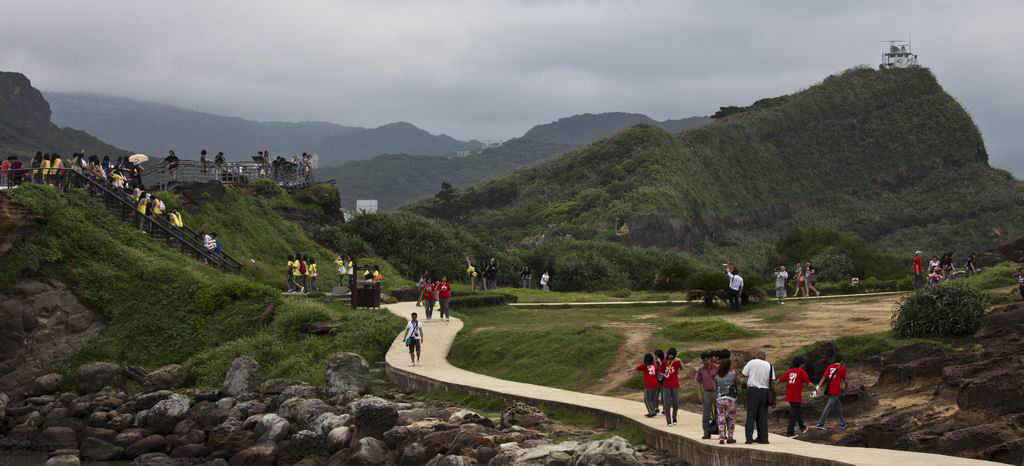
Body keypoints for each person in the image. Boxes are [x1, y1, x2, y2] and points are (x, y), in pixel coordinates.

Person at [741, 351, 774, 444]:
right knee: (763, 416)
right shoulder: (770, 365)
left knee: (751, 416)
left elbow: (744, 373)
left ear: (757, 356)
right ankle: (764, 439)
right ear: (765, 357)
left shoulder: (752, 362)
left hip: (753, 391)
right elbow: (772, 381)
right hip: (765, 392)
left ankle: (749, 439)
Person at [778, 356, 812, 437]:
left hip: (789, 396)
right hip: (796, 396)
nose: (804, 365)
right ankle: (790, 433)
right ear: (801, 364)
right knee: (794, 414)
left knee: (797, 411)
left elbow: (779, 380)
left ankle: (802, 427)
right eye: (803, 363)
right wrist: (817, 389)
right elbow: (809, 383)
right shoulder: (802, 371)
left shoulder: (789, 371)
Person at [815, 353, 848, 431]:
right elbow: (843, 381)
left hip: (828, 389)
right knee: (828, 407)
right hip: (835, 390)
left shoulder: (829, 367)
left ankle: (843, 422)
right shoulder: (842, 368)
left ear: (834, 360)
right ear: (841, 360)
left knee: (838, 407)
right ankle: (820, 424)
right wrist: (844, 387)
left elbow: (824, 377)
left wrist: (819, 386)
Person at [694, 351, 719, 439]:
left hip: (716, 392)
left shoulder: (717, 367)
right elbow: (697, 382)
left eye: (706, 360)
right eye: (703, 361)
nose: (705, 362)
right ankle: (706, 432)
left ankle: (720, 431)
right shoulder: (701, 369)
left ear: (710, 359)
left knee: (718, 412)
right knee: (706, 413)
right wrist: (699, 394)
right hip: (707, 392)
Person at [714, 357, 738, 445]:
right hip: (730, 399)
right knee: (730, 418)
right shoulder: (732, 374)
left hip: (720, 399)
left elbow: (715, 388)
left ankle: (721, 437)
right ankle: (730, 437)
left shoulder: (717, 376)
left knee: (721, 417)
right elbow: (737, 382)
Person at [631, 353, 660, 417]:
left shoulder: (644, 365)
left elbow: (636, 368)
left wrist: (630, 370)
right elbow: (658, 371)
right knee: (652, 399)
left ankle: (651, 412)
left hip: (648, 384)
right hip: (656, 384)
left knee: (647, 399)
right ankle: (654, 410)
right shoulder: (655, 365)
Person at [661, 348, 682, 426]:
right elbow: (660, 371)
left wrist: (680, 361)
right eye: (670, 354)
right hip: (666, 385)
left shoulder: (676, 362)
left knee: (676, 403)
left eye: (672, 355)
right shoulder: (664, 362)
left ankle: (674, 417)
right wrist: (664, 374)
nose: (670, 356)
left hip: (675, 385)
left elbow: (683, 368)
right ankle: (668, 420)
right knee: (667, 403)